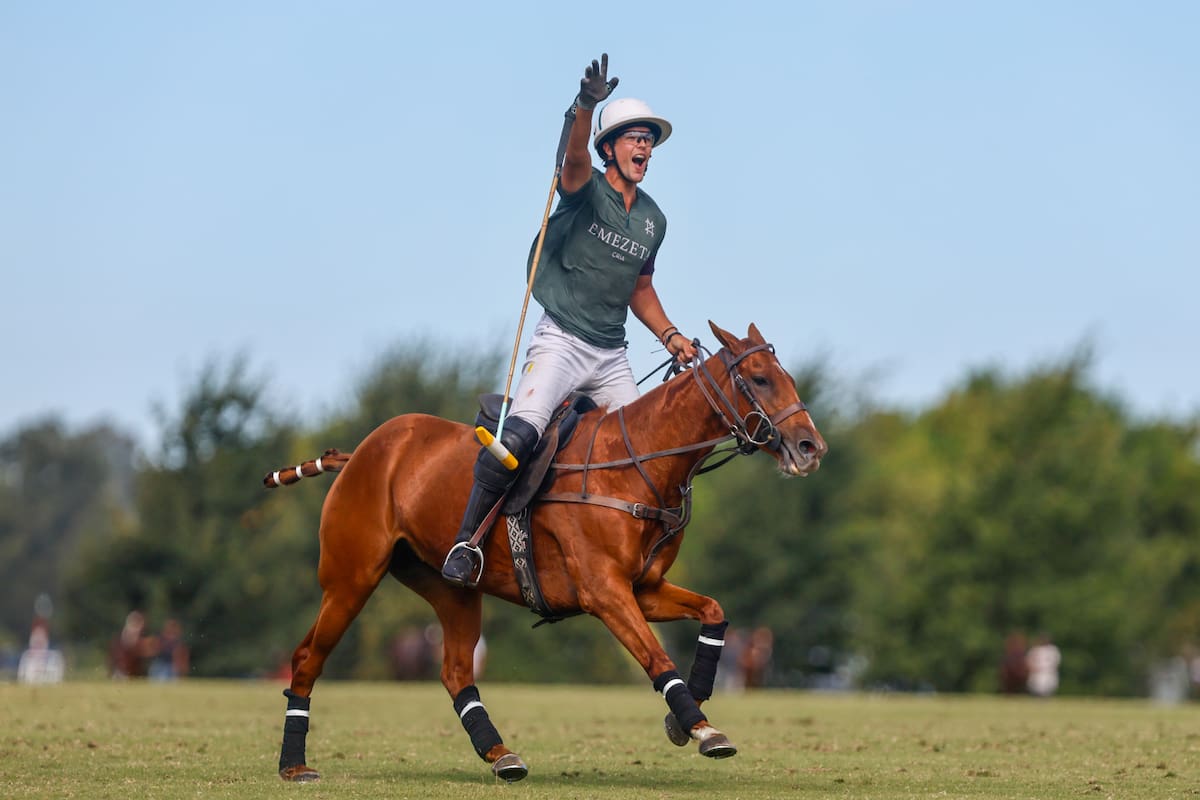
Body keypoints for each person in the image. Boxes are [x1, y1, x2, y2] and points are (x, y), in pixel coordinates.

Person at [441, 54, 697, 586]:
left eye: (649, 139)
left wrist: (670, 335)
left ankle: (631, 561)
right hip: (561, 340)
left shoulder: (654, 219)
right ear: (610, 148)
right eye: (633, 137)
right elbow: (573, 159)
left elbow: (641, 288)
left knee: (648, 453)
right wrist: (585, 106)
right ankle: (467, 544)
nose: (644, 146)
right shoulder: (587, 186)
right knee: (516, 440)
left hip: (611, 356)